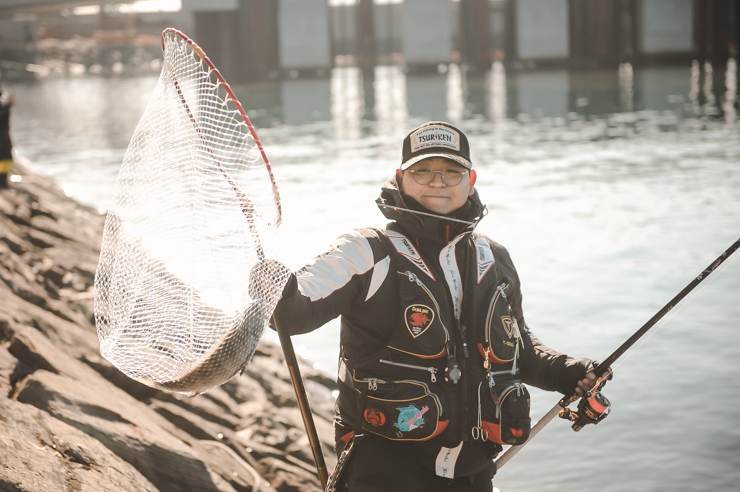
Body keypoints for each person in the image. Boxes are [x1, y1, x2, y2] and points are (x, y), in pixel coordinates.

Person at [264, 121, 606, 491]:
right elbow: (292, 314)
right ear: (400, 177)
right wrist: (276, 287)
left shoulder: (496, 259)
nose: (437, 182)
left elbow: (518, 348)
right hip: (384, 470)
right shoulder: (363, 250)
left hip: (473, 473)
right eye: (422, 171)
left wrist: (570, 372)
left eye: (452, 171)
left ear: (471, 180)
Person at [0, 76, 14, 189]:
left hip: (4, 132)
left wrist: (8, 104)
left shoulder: (2, 95)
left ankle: (3, 181)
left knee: (7, 157)